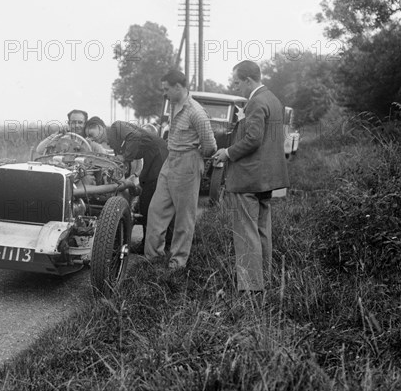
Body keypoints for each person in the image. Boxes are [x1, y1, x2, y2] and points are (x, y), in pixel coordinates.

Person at [212, 60, 289, 292]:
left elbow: (254, 138)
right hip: (267, 179)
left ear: (248, 80)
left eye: (237, 83)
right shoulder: (273, 99)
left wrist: (227, 152)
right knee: (262, 230)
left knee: (246, 232)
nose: (236, 87)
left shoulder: (256, 102)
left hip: (249, 178)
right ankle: (266, 279)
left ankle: (251, 288)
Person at [144, 70, 216, 269]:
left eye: (167, 89)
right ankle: (153, 260)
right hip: (170, 161)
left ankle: (177, 264)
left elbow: (210, 145)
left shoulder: (197, 112)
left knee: (184, 217)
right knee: (156, 210)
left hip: (188, 163)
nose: (164, 93)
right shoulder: (173, 105)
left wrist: (194, 158)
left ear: (178, 87)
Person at [84, 117, 171, 252]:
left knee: (151, 195)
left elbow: (135, 137)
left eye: (91, 135)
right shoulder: (114, 143)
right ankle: (149, 242)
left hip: (159, 154)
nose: (91, 139)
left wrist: (125, 157)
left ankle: (158, 244)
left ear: (100, 128)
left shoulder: (117, 127)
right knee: (144, 195)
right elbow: (121, 165)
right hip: (150, 157)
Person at [35, 109, 106, 154]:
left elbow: (104, 156)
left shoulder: (91, 143)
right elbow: (39, 150)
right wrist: (57, 134)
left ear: (85, 124)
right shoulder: (62, 139)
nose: (77, 125)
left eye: (80, 122)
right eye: (74, 122)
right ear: (69, 123)